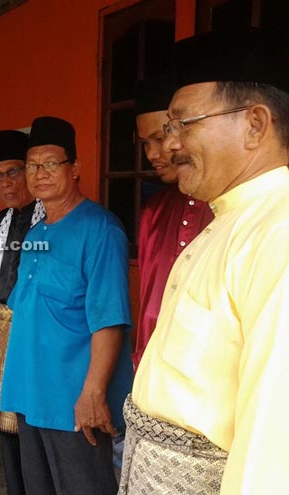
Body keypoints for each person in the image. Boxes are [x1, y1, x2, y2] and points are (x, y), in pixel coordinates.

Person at [120, 29, 289, 494]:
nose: (169, 146)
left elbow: (273, 437)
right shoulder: (225, 220)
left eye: (183, 124)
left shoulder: (277, 232)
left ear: (255, 124)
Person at [0, 116, 132, 495]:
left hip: (74, 402)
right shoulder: (36, 234)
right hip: (30, 394)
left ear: (74, 169)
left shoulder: (100, 229)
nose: (40, 173)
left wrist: (93, 394)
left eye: (51, 163)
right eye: (32, 165)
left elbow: (109, 320)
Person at [0, 129, 43, 495]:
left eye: (13, 171)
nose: (6, 182)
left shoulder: (52, 216)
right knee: (7, 427)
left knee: (33, 424)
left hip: (36, 332)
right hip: (1, 330)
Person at [133, 78, 213, 370]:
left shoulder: (226, 210)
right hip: (148, 373)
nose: (153, 153)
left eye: (159, 137)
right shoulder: (152, 213)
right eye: (145, 143)